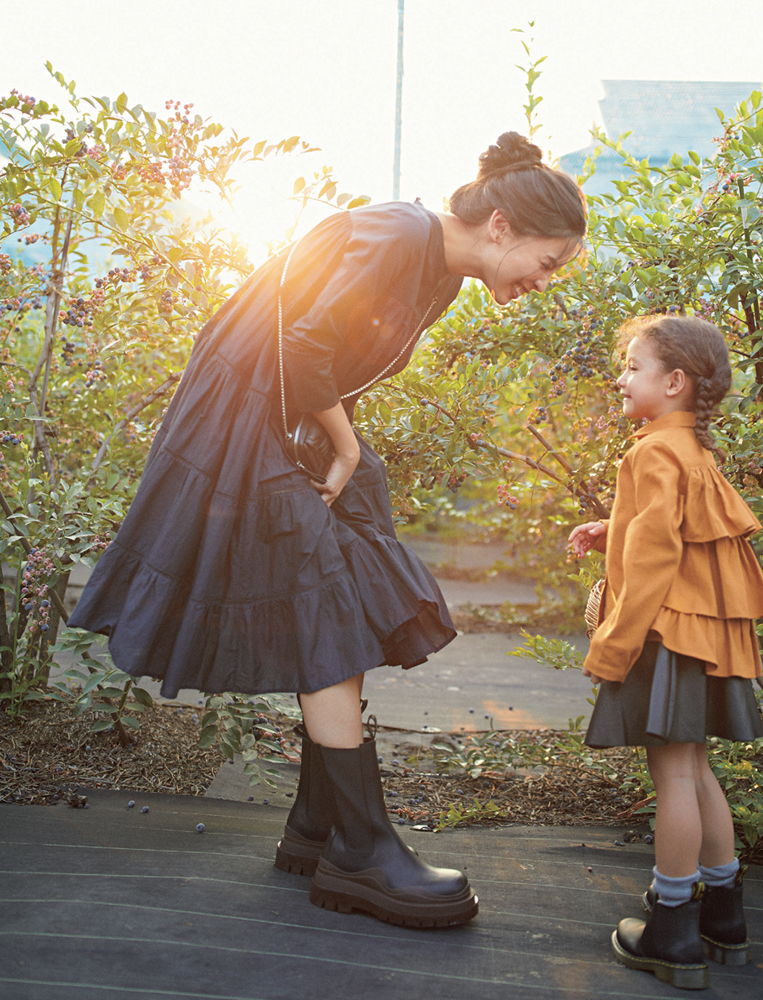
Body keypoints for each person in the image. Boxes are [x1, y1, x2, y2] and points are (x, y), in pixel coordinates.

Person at [70, 131, 586, 928]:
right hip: (243, 424)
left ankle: (316, 827)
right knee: (327, 607)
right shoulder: (396, 233)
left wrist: (343, 449)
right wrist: (343, 444)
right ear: (501, 227)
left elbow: (332, 358)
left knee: (355, 585)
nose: (543, 282)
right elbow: (301, 340)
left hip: (276, 425)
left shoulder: (437, 275)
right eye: (548, 262)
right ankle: (359, 850)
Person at [569, 315, 763, 988]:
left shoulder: (651, 452)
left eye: (633, 367)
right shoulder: (690, 451)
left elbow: (654, 565)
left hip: (663, 634)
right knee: (697, 770)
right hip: (704, 635)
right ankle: (724, 913)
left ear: (675, 382)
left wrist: (612, 650)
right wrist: (612, 528)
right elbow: (674, 534)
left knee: (674, 779)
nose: (620, 378)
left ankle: (672, 925)